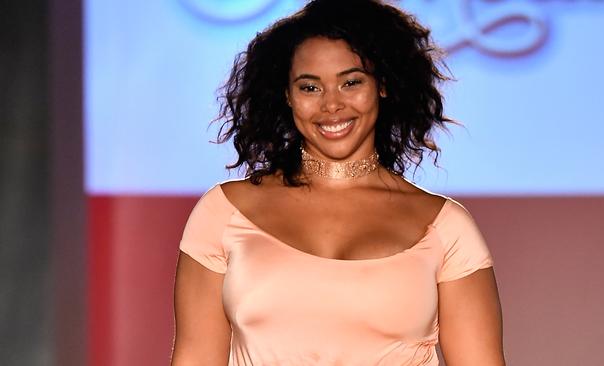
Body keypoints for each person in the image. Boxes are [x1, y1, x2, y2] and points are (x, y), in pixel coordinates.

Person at [171, 0, 505, 365]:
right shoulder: (225, 213)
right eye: (310, 87)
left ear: (383, 86)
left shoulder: (444, 227)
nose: (332, 104)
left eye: (350, 82)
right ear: (287, 96)